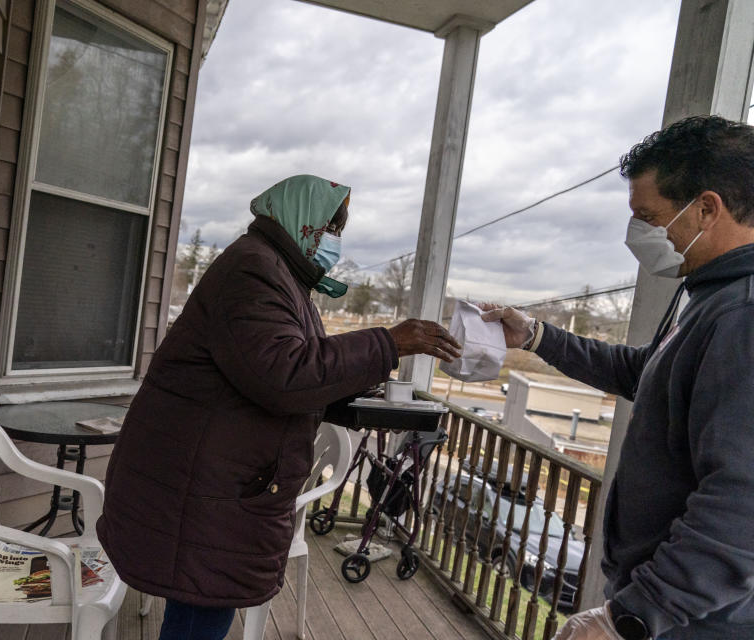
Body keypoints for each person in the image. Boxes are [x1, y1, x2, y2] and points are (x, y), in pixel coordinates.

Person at [96, 175, 462, 640]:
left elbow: (292, 376)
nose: (335, 239)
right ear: (299, 218)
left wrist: (365, 406)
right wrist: (388, 343)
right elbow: (285, 376)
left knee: (203, 608)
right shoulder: (254, 272)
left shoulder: (280, 275)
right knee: (199, 613)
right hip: (203, 488)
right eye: (331, 225)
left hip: (213, 483)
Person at [482, 115, 754, 640]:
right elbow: (643, 372)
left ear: (706, 207)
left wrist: (630, 617)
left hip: (698, 621)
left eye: (650, 217)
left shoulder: (742, 315)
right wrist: (536, 335)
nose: (642, 234)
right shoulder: (705, 295)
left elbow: (741, 500)